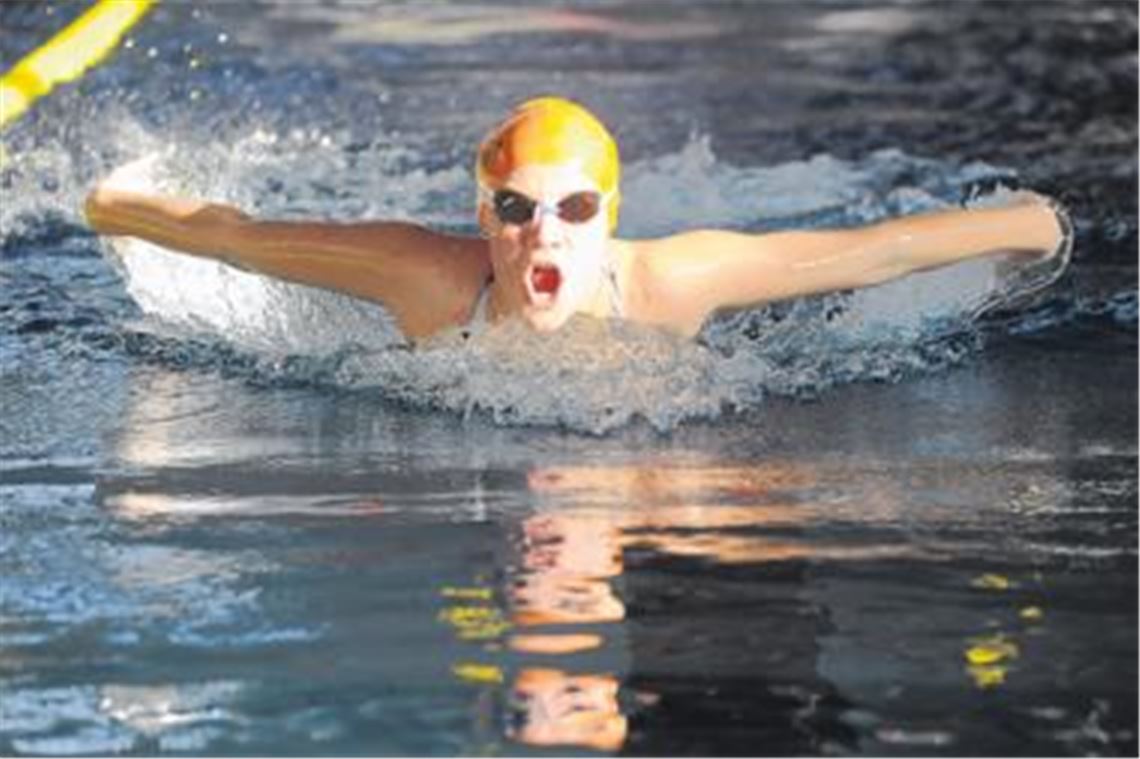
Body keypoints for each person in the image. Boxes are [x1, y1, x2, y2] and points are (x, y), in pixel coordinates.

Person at [84, 96, 1071, 343]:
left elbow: (875, 251)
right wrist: (105, 203)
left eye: (574, 209)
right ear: (484, 215)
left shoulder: (672, 281)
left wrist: (1033, 225)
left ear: (611, 217)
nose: (542, 235)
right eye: (514, 210)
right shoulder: (428, 276)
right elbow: (235, 236)